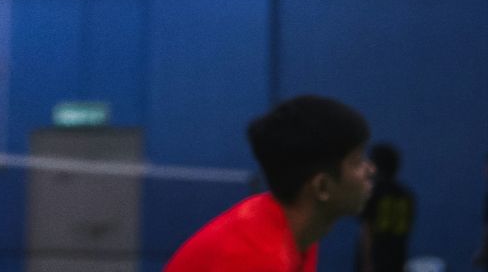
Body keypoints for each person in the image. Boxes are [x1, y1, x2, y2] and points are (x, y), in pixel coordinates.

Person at [165, 95, 374, 272]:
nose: (370, 170)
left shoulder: (300, 234)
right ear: (322, 187)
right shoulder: (256, 258)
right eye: (356, 162)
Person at [356, 144, 412, 272]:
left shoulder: (373, 193)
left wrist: (367, 264)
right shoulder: (407, 196)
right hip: (396, 261)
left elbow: (367, 229)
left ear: (375, 166)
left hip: (375, 261)